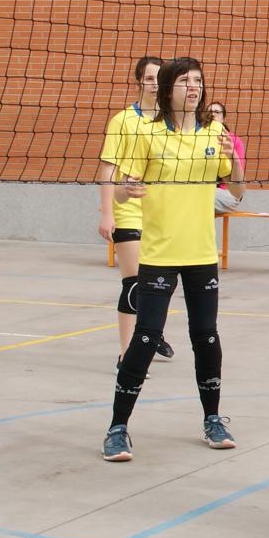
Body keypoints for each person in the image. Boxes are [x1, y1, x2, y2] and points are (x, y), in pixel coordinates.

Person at [101, 57, 245, 462]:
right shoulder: (146, 134)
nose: (194, 87)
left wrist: (236, 163)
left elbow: (236, 192)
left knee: (207, 337)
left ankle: (213, 419)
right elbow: (119, 190)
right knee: (145, 338)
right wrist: (127, 191)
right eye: (185, 81)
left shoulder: (214, 132)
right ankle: (117, 427)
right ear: (167, 90)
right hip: (160, 253)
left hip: (201, 253)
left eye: (198, 80)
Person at [96, 55, 175, 364]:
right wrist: (107, 212)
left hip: (161, 212)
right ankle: (127, 355)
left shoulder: (172, 120)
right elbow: (106, 170)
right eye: (150, 78)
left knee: (160, 284)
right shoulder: (123, 120)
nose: (155, 84)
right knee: (134, 285)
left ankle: (152, 332)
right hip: (127, 207)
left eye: (160, 78)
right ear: (139, 81)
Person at [208, 101, 246, 214]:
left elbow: (238, 178)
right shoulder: (200, 137)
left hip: (228, 192)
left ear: (224, 118)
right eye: (209, 112)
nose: (212, 115)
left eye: (217, 112)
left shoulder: (233, 140)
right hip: (206, 188)